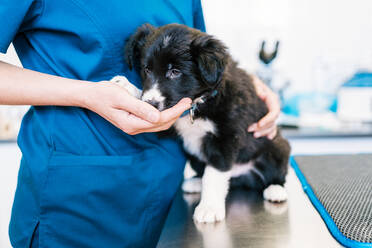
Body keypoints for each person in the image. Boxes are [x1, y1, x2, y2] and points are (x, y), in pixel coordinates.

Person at [0, 0, 280, 247]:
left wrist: (250, 85)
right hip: (79, 199)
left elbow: (198, 60)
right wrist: (86, 94)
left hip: (170, 193)